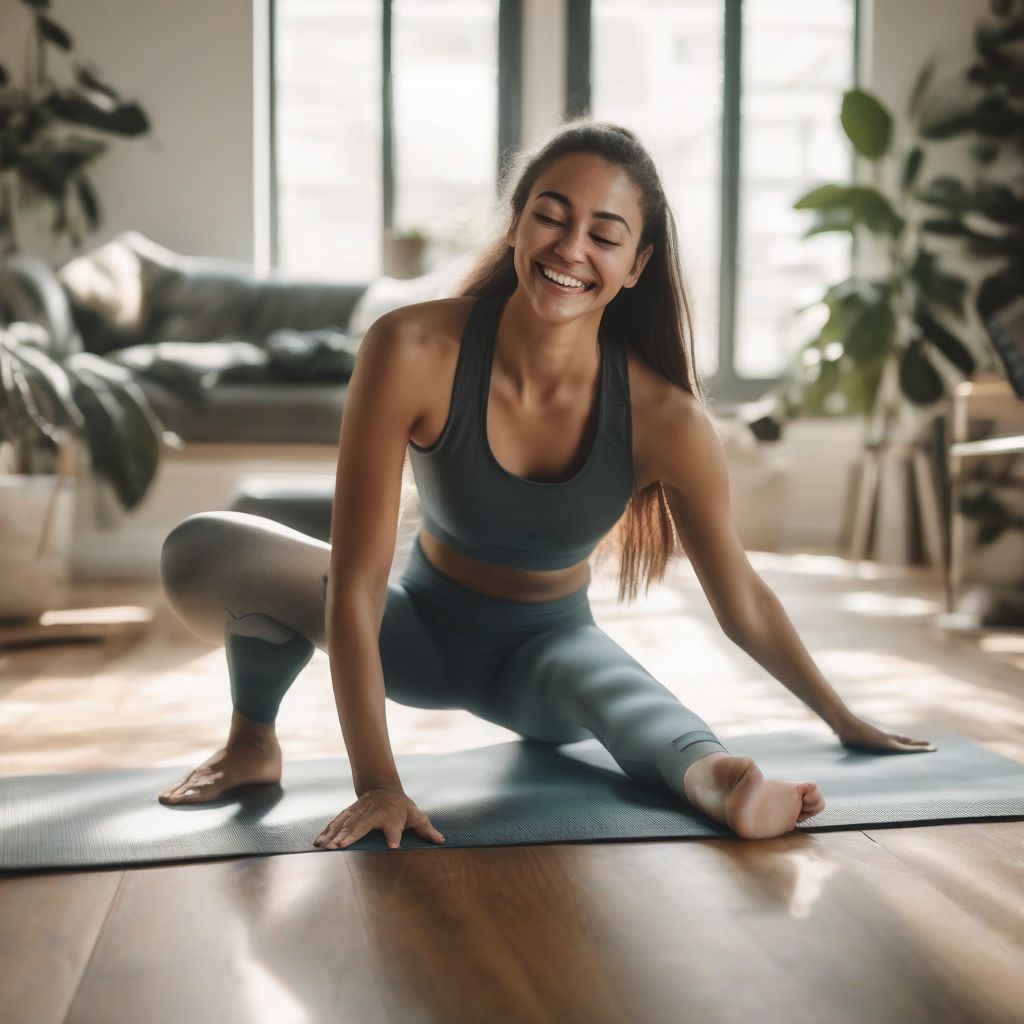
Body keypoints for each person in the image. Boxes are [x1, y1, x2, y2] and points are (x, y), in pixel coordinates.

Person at [157, 120, 935, 848]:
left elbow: (744, 603)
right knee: (202, 548)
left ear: (637, 267)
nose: (571, 249)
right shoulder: (411, 346)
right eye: (551, 217)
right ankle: (251, 742)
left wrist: (841, 716)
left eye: (605, 234)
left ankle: (722, 783)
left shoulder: (670, 420)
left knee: (621, 696)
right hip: (411, 634)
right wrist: (380, 785)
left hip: (545, 654)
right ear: (517, 224)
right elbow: (355, 587)